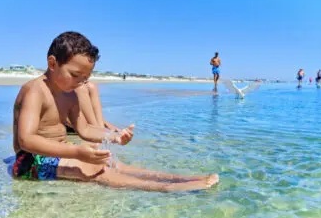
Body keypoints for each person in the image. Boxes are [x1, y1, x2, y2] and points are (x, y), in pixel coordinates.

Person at [12, 31, 219, 192]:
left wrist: (114, 136)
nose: (82, 82)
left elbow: (84, 129)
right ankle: (168, 189)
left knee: (112, 162)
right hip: (29, 161)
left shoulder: (71, 93)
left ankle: (179, 178)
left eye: (86, 77)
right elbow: (26, 141)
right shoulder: (35, 90)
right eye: (76, 75)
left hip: (58, 151)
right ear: (52, 63)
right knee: (90, 169)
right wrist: (76, 152)